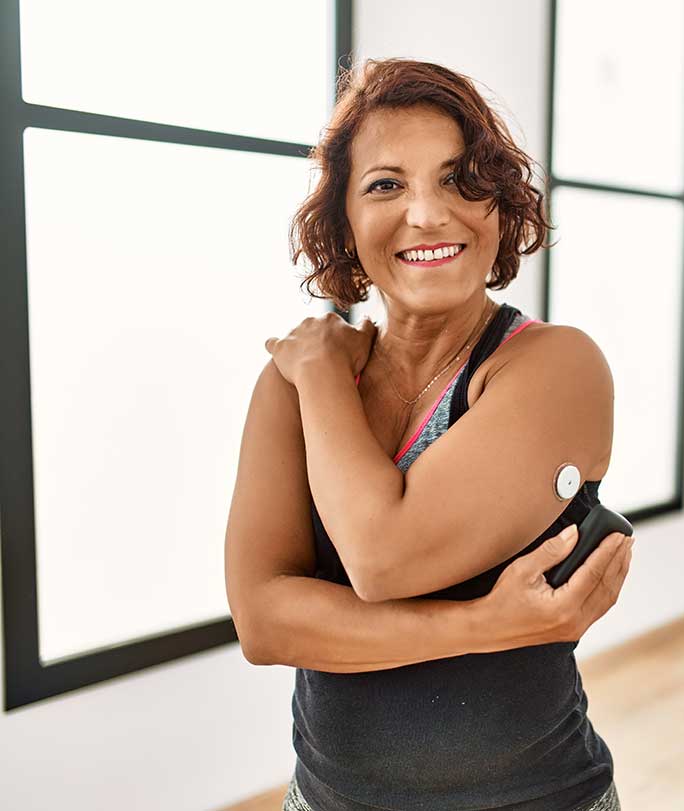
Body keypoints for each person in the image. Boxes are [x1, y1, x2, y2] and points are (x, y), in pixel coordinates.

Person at [224, 58, 631, 811]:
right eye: (386, 184)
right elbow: (264, 620)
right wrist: (483, 623)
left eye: (457, 179)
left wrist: (317, 376)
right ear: (344, 220)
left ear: (500, 205)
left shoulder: (553, 365)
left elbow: (383, 557)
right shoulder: (292, 385)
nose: (427, 214)